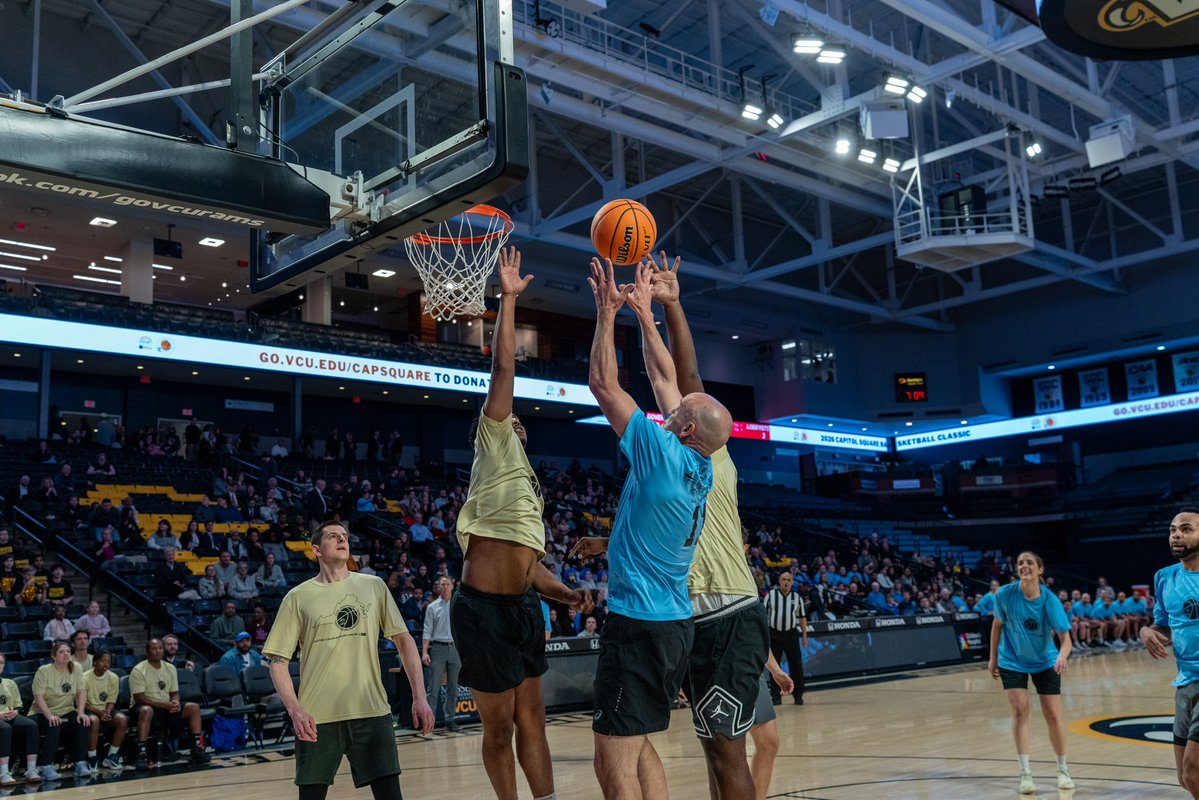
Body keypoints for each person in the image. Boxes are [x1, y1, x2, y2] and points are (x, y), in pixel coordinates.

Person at [572, 257, 732, 799]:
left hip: (638, 626)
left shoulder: (661, 453)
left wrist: (606, 312)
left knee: (612, 762)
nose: (676, 399)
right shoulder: (702, 464)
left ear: (683, 426)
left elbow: (601, 382)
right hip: (672, 627)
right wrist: (645, 313)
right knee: (640, 746)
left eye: (682, 408)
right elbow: (666, 378)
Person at [450, 247, 591, 800]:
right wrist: (507, 301)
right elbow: (503, 368)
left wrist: (568, 594)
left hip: (523, 607)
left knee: (534, 719)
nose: (519, 420)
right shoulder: (493, 443)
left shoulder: (530, 487)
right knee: (500, 724)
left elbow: (532, 570)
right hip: (481, 610)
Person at [645, 251, 770, 799]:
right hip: (694, 614)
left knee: (726, 748)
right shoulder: (678, 463)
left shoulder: (711, 457)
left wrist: (672, 307)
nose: (671, 411)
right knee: (712, 748)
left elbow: (686, 376)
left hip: (727, 611)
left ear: (692, 426)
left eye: (681, 412)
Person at [263, 520, 435, 800]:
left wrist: (420, 696)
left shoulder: (373, 586)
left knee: (391, 796)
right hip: (317, 718)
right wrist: (296, 711)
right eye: (333, 536)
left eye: (345, 536)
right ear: (316, 549)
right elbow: (277, 662)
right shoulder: (297, 597)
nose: (343, 540)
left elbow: (404, 641)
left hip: (371, 711)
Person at [988, 551, 1074, 793]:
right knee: (1019, 711)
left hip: (1045, 661)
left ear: (1039, 570)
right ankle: (1025, 773)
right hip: (1011, 660)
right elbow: (997, 626)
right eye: (1020, 563)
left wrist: (1062, 655)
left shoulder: (1050, 601)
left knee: (1053, 716)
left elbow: (1066, 639)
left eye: (1029, 563)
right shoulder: (1005, 594)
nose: (1024, 566)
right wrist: (993, 658)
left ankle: (1063, 769)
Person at [1141, 508, 1199, 799]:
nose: (1176, 534)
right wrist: (1147, 632)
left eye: (1186, 529)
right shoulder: (1164, 577)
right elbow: (1163, 626)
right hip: (1185, 681)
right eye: (1173, 530)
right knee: (1185, 779)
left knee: (1192, 768)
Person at [129, 638, 209, 769]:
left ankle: (197, 749)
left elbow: (174, 692)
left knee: (193, 707)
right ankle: (141, 754)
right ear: (147, 652)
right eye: (154, 648)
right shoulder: (138, 670)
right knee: (146, 710)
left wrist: (175, 702)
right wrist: (165, 705)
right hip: (142, 707)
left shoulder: (170, 668)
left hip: (165, 706)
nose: (158, 651)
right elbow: (140, 698)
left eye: (160, 648)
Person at [29, 642, 92, 780]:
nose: (66, 654)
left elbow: (81, 692)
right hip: (42, 712)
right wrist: (50, 716)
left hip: (66, 710)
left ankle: (80, 763)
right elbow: (38, 697)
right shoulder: (44, 670)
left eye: (68, 651)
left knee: (83, 722)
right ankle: (46, 767)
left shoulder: (76, 668)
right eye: (62, 652)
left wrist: (81, 712)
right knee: (54, 724)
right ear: (53, 656)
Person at [421, 577, 460, 732]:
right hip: (438, 648)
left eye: (447, 584)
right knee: (433, 688)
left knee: (453, 688)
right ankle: (429, 721)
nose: (444, 587)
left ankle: (450, 720)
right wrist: (424, 651)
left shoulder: (457, 605)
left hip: (455, 648)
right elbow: (427, 629)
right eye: (441, 584)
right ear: (437, 587)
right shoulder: (432, 607)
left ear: (452, 586)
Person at [764, 572, 809, 706]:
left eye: (788, 580)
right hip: (774, 634)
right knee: (775, 667)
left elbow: (802, 618)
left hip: (791, 634)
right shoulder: (771, 595)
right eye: (784, 579)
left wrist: (805, 636)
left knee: (796, 666)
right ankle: (776, 697)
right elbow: (763, 616)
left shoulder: (797, 597)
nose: (786, 582)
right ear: (779, 580)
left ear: (792, 582)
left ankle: (798, 696)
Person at [0, 651, 40, 785]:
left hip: (9, 716)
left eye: (1, 663)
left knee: (31, 725)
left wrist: (16, 712)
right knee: (5, 728)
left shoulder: (10, 683)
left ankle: (31, 770)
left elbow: (18, 705)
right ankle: (4, 773)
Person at [83, 650, 128, 770]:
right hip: (90, 709)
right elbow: (82, 703)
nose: (106, 664)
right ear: (95, 662)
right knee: (94, 721)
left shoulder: (113, 677)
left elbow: (111, 700)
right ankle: (92, 757)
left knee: (122, 720)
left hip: (106, 710)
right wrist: (99, 712)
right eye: (103, 661)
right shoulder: (84, 677)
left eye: (108, 661)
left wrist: (107, 712)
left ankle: (111, 756)